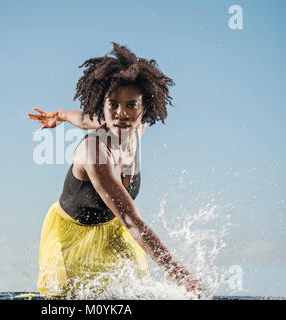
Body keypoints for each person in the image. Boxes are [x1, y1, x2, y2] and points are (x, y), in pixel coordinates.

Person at [27, 42, 203, 298]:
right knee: (67, 300)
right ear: (102, 105)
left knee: (135, 294)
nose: (121, 114)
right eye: (113, 105)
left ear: (145, 108)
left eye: (131, 105)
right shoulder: (93, 152)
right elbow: (133, 222)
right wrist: (181, 274)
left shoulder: (138, 128)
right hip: (70, 236)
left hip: (114, 228)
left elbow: (85, 119)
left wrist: (62, 115)